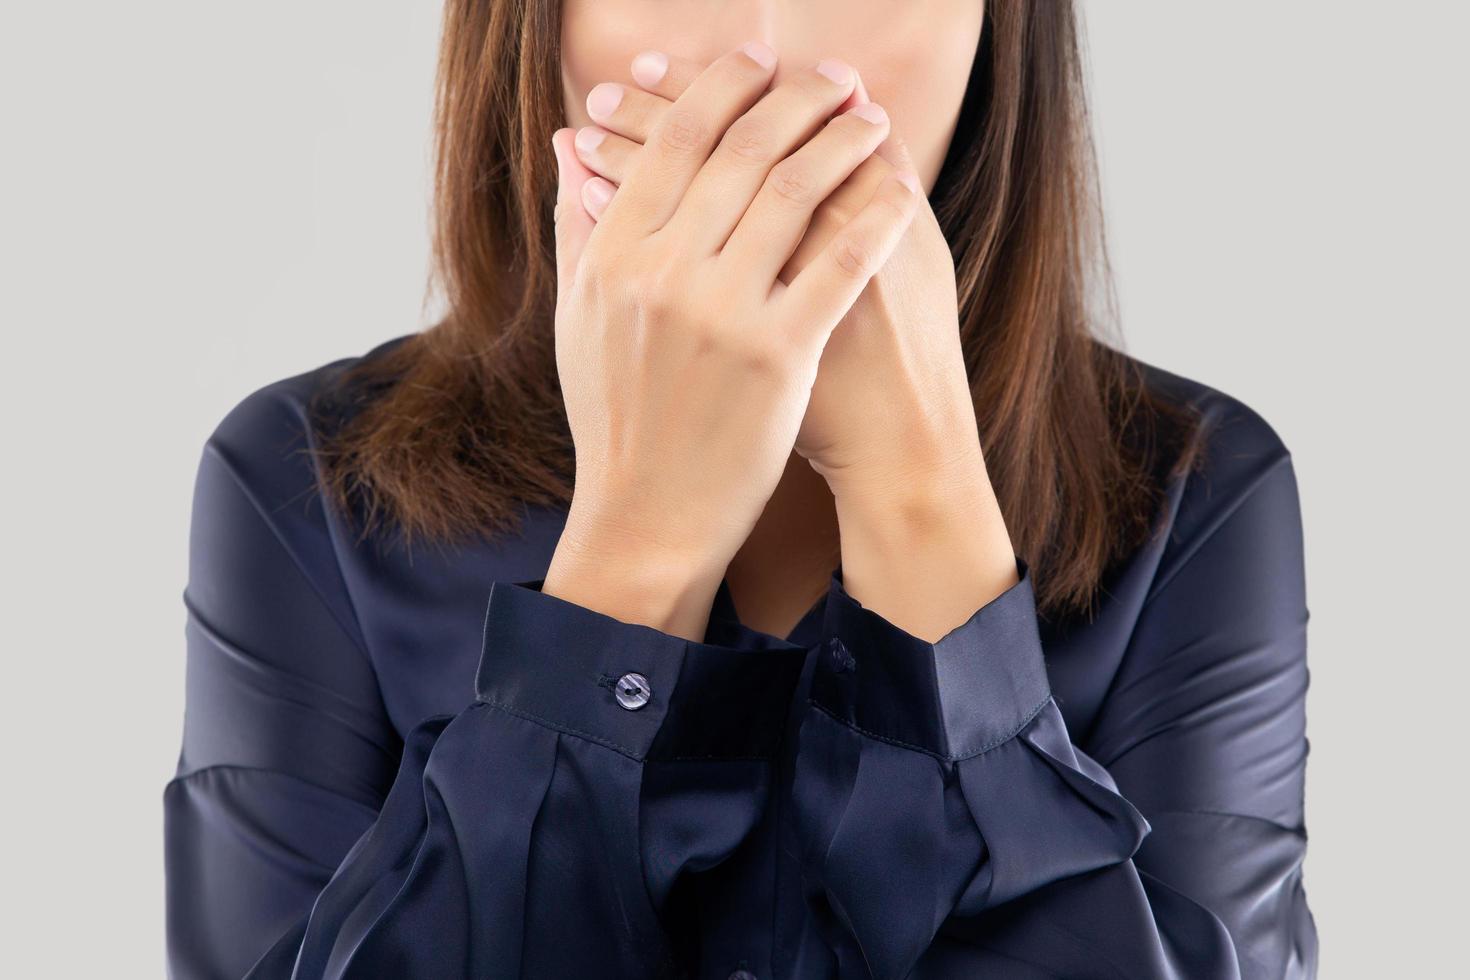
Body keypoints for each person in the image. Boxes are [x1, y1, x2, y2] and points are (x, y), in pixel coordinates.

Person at [163, 2, 1317, 977]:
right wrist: (638, 542)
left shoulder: (1193, 490)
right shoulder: (310, 480)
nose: (770, 57)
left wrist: (923, 499)